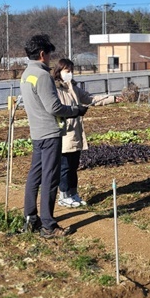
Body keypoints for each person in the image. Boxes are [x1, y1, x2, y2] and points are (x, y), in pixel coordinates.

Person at [21, 36, 89, 238]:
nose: (50, 59)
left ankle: (30, 218)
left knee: (34, 177)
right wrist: (75, 111)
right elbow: (54, 107)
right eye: (49, 54)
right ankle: (48, 225)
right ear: (42, 54)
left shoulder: (26, 75)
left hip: (36, 133)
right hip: (50, 134)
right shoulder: (42, 76)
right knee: (50, 179)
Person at [52, 58, 118, 208]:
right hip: (64, 131)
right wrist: (74, 112)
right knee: (65, 166)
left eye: (71, 71)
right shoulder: (55, 89)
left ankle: (73, 194)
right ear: (59, 71)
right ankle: (63, 195)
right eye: (67, 71)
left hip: (76, 131)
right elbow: (55, 108)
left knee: (73, 166)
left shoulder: (73, 87)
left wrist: (112, 99)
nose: (70, 74)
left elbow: (89, 98)